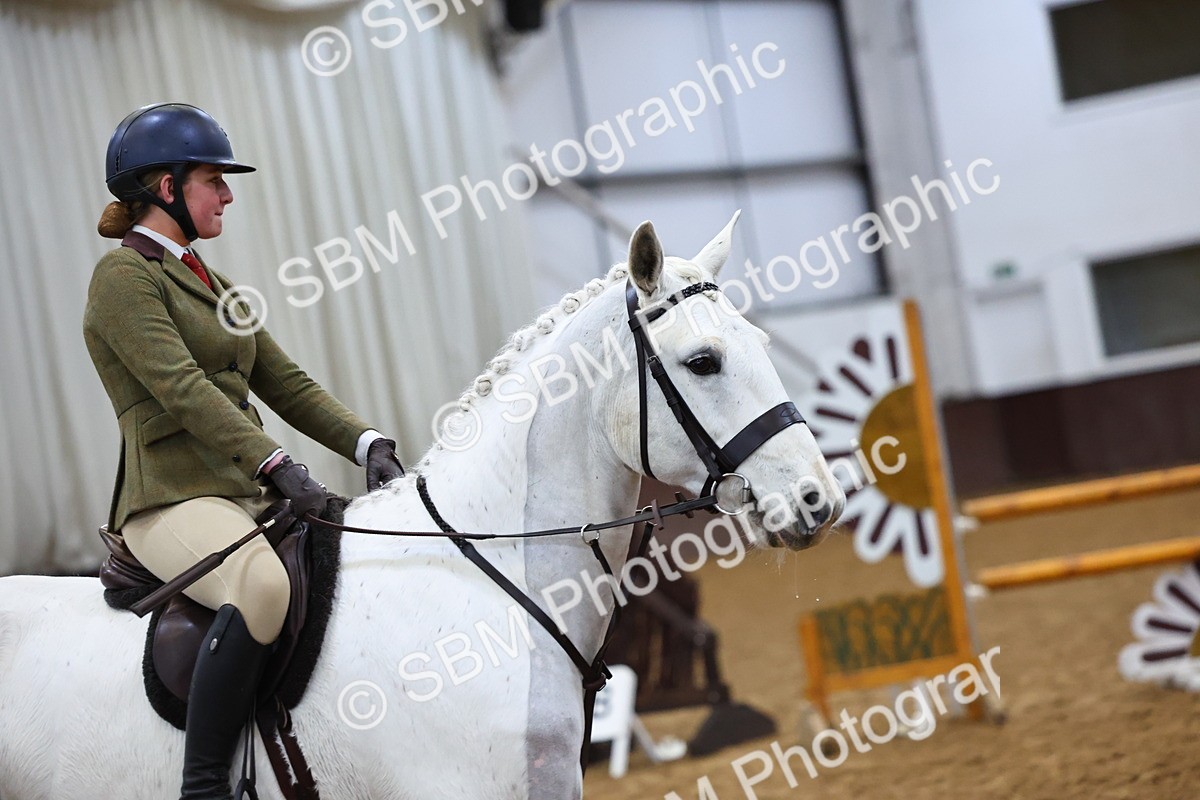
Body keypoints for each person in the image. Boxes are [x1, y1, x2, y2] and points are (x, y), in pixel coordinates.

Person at [84, 102, 405, 800]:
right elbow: (183, 390)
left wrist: (367, 441)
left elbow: (285, 382)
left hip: (240, 494)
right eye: (213, 180)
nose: (227, 195)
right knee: (261, 588)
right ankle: (203, 787)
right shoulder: (123, 279)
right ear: (166, 187)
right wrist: (275, 463)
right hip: (170, 498)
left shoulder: (213, 282)